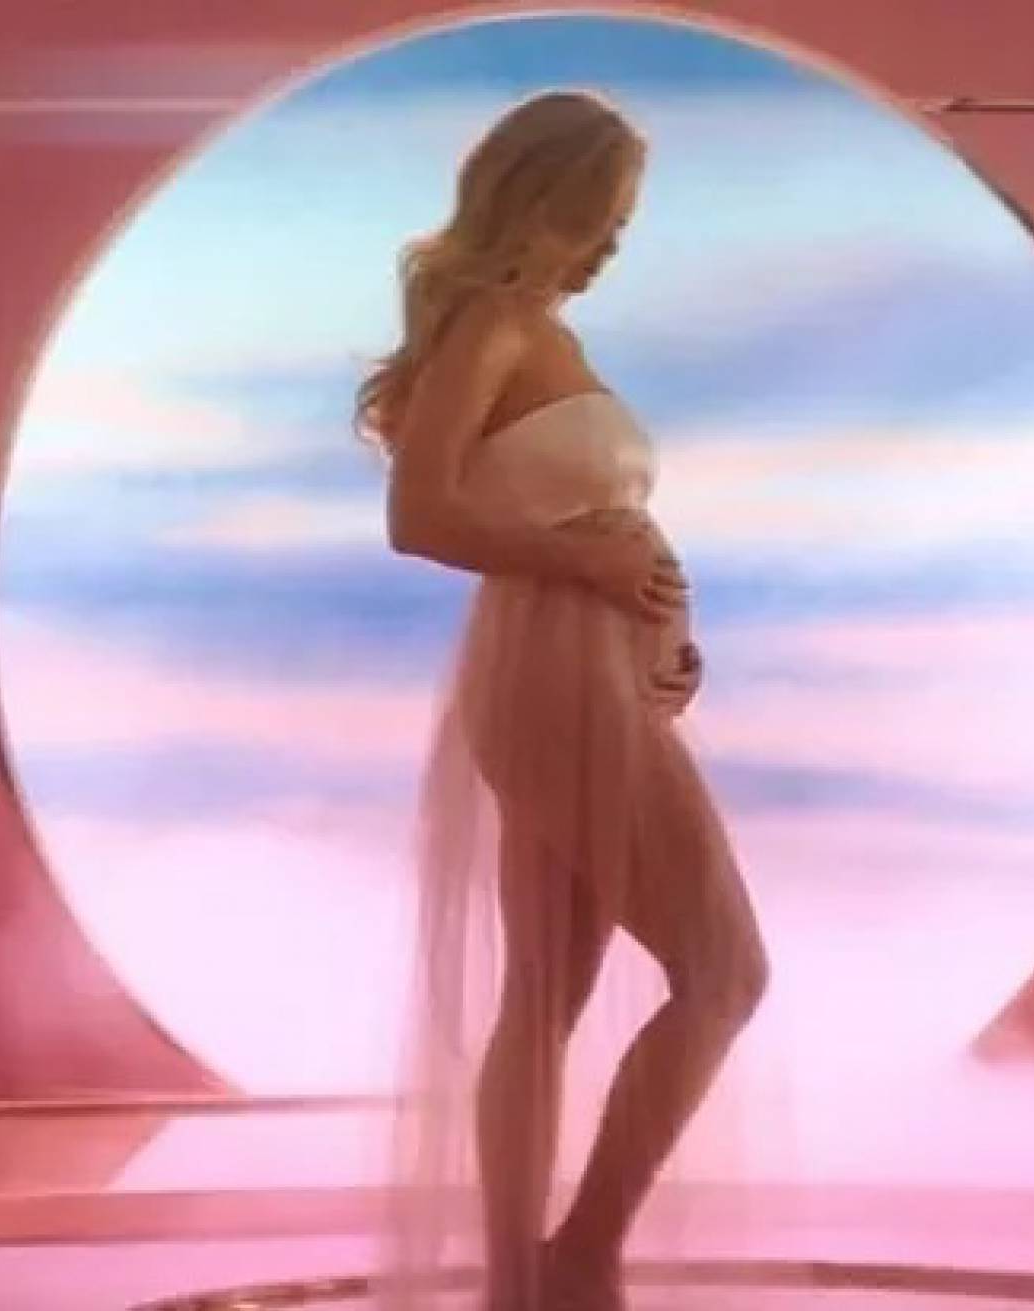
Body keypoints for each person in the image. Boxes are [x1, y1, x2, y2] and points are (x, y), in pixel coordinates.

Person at [357, 89, 769, 1311]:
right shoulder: (493, 325)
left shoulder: (541, 334)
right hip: (554, 675)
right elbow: (419, 516)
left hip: (592, 671)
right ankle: (581, 1256)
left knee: (545, 991)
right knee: (725, 972)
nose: (612, 249)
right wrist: (590, 571)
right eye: (605, 221)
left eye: (625, 227)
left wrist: (663, 637)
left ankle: (518, 1285)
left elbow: (585, 523)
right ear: (546, 202)